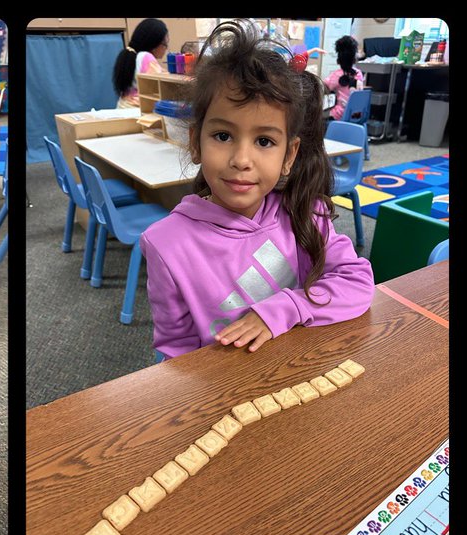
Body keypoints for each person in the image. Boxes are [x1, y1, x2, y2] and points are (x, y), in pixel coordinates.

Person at [140, 19, 374, 361]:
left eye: (264, 141)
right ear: (195, 142)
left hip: (302, 370)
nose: (242, 159)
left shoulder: (304, 213)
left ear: (289, 155)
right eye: (223, 136)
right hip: (227, 392)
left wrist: (285, 308)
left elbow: (358, 284)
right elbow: (176, 353)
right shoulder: (167, 245)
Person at [112, 18, 170, 109]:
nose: (166, 48)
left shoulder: (131, 55)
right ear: (154, 44)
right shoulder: (146, 57)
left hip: (123, 108)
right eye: (165, 44)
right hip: (136, 112)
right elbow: (160, 86)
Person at [322, 35, 365, 122]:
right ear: (354, 58)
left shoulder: (335, 76)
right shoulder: (359, 74)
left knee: (318, 116)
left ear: (339, 58)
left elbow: (324, 86)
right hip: (356, 115)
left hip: (340, 115)